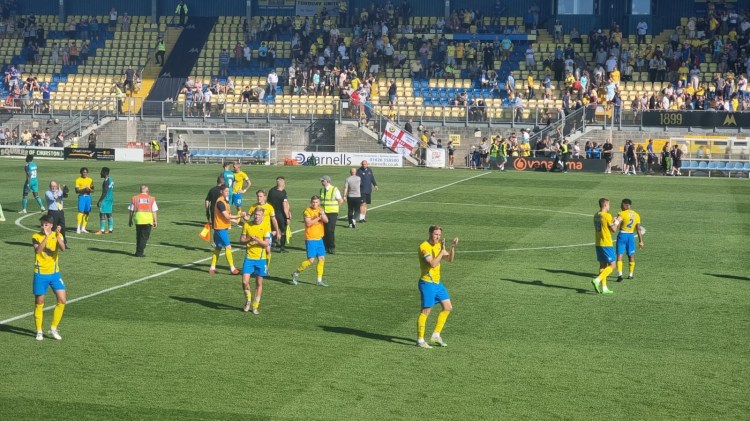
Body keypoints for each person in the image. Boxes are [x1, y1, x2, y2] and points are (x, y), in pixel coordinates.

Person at [417, 225, 459, 349]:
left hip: (437, 284)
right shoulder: (424, 247)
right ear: (430, 233)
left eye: (439, 235)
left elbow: (449, 259)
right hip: (427, 283)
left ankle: (436, 335)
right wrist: (441, 251)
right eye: (435, 234)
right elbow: (433, 264)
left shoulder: (439, 245)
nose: (438, 237)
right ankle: (420, 340)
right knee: (426, 311)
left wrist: (452, 247)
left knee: (448, 307)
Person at [32, 214, 67, 341]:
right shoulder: (36, 236)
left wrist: (57, 236)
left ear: (51, 225)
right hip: (40, 274)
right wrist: (46, 237)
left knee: (62, 300)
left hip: (55, 274)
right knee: (39, 302)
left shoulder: (57, 235)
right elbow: (38, 251)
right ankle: (39, 331)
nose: (43, 227)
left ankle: (53, 328)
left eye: (46, 224)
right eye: (42, 225)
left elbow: (63, 248)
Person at [240, 206, 271, 314]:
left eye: (259, 215)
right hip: (249, 258)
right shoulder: (247, 225)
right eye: (255, 215)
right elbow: (241, 240)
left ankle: (255, 305)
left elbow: (266, 243)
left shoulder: (266, 227)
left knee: (259, 283)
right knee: (244, 281)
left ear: (262, 216)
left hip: (261, 259)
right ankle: (248, 299)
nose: (256, 217)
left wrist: (257, 240)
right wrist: (249, 239)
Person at [291, 196, 329, 287]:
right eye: (313, 202)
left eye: (316, 202)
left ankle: (319, 280)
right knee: (311, 261)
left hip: (319, 239)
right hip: (311, 239)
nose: (314, 204)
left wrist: (322, 214)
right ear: (311, 202)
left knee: (321, 258)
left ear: (319, 203)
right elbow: (308, 223)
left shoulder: (320, 210)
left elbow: (326, 221)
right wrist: (318, 218)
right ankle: (296, 272)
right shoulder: (307, 211)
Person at [209, 184, 241, 274]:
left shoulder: (225, 201)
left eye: (228, 191)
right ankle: (232, 268)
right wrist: (239, 216)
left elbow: (227, 216)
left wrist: (236, 221)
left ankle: (212, 268)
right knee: (228, 247)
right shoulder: (220, 202)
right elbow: (226, 216)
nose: (227, 192)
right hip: (220, 228)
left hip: (221, 227)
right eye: (226, 191)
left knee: (218, 248)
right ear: (221, 192)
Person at [247, 190, 280, 271]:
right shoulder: (253, 206)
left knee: (267, 250)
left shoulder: (269, 207)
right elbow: (247, 218)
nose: (259, 198)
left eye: (260, 196)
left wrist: (277, 231)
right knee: (256, 249)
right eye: (258, 196)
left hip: (266, 232)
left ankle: (266, 268)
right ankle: (255, 267)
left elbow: (273, 219)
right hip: (256, 232)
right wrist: (243, 216)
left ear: (264, 197)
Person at [592, 198, 619, 295]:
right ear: (605, 205)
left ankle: (604, 288)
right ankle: (597, 280)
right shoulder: (607, 215)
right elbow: (614, 230)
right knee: (612, 265)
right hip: (606, 243)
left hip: (598, 243)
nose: (609, 207)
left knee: (602, 265)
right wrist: (616, 222)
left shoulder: (596, 215)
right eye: (609, 205)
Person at [615, 198, 644, 282]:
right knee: (631, 255)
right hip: (631, 236)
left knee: (619, 255)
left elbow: (617, 226)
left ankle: (620, 275)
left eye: (621, 204)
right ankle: (630, 274)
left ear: (626, 205)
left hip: (622, 235)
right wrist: (641, 241)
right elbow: (638, 229)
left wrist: (615, 221)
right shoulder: (636, 215)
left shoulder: (622, 213)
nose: (621, 206)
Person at [128, 185, 158, 257]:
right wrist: (155, 221)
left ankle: (137, 251)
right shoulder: (151, 199)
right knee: (144, 237)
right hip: (147, 220)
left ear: (140, 191)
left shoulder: (135, 198)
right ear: (147, 191)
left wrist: (130, 220)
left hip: (138, 220)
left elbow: (131, 210)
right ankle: (139, 253)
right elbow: (154, 211)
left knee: (139, 236)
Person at [319, 175, 343, 254]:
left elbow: (340, 200)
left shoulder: (334, 189)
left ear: (327, 181)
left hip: (332, 213)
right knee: (324, 230)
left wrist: (336, 209)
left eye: (322, 181)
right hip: (324, 213)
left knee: (330, 230)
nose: (321, 182)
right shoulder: (322, 190)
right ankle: (325, 247)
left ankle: (332, 247)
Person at [267, 176, 291, 253]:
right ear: (282, 183)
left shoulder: (271, 190)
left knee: (273, 229)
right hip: (281, 215)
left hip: (272, 214)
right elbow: (285, 207)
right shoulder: (282, 194)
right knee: (283, 230)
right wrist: (288, 217)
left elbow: (268, 203)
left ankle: (272, 244)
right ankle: (282, 247)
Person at [45, 181, 68, 247]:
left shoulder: (59, 191)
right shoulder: (48, 192)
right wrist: (57, 192)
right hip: (52, 212)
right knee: (52, 228)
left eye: (55, 186)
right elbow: (52, 198)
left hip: (60, 211)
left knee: (62, 228)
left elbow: (65, 195)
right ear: (50, 186)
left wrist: (65, 189)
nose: (53, 187)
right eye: (52, 186)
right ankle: (51, 242)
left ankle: (64, 243)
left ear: (57, 186)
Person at [74, 167, 94, 234]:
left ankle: (83, 228)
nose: (85, 173)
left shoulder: (90, 180)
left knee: (87, 212)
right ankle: (78, 228)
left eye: (86, 172)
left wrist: (89, 190)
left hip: (88, 197)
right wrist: (84, 189)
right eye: (83, 172)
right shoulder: (78, 180)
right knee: (81, 212)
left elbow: (93, 190)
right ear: (81, 173)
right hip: (82, 197)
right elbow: (76, 191)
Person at [95, 167, 114, 235]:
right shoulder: (110, 179)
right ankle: (110, 229)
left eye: (101, 172)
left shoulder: (106, 181)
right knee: (109, 213)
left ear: (104, 173)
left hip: (105, 199)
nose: (100, 173)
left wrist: (99, 201)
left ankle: (102, 230)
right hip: (110, 198)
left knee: (102, 213)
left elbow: (104, 192)